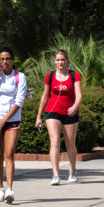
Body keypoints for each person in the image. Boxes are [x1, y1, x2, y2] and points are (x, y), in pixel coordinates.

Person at [34, 49, 83, 184]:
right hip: (52, 111)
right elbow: (45, 96)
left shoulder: (74, 75)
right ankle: (55, 175)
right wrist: (38, 115)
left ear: (67, 61)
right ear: (54, 61)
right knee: (54, 142)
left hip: (69, 112)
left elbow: (79, 95)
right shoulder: (50, 76)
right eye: (58, 60)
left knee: (70, 144)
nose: (60, 62)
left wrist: (75, 106)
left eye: (62, 60)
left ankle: (72, 171)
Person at [0, 49, 27, 204]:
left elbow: (19, 102)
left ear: (13, 60)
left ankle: (10, 189)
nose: (5, 62)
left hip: (11, 120)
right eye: (2, 59)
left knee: (9, 154)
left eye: (8, 59)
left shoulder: (19, 77)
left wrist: (4, 121)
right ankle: (0, 189)